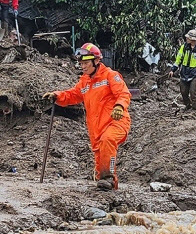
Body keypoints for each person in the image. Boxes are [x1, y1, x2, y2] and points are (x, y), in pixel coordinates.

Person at [43, 43, 131, 190]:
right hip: (96, 127)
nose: (83, 66)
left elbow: (123, 93)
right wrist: (57, 95)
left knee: (107, 140)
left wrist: (119, 106)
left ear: (96, 61)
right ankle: (107, 189)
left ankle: (108, 178)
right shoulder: (84, 81)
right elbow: (72, 95)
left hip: (115, 121)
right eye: (81, 63)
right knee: (99, 155)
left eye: (85, 63)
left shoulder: (110, 75)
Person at [169, 30, 196, 110]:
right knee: (183, 92)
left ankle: (194, 109)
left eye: (188, 38)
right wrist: (173, 70)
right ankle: (188, 106)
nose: (186, 38)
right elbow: (178, 59)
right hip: (184, 72)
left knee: (193, 92)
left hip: (195, 73)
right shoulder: (184, 47)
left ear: (193, 39)